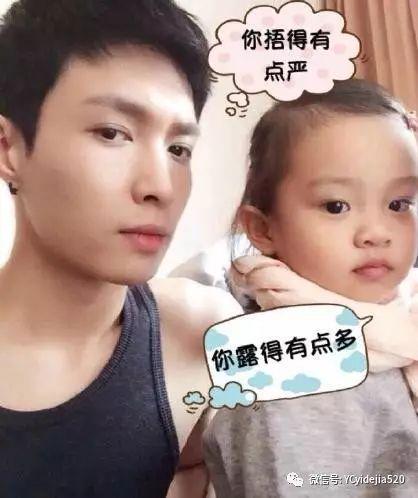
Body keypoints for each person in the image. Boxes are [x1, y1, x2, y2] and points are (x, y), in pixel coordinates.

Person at [0, 1, 242, 497]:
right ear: (9, 149)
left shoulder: (201, 331)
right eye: (112, 133)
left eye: (179, 149)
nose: (161, 186)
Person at [177, 79, 418, 497]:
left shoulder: (401, 318)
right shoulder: (291, 376)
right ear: (263, 229)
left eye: (399, 204)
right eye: (336, 206)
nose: (377, 232)